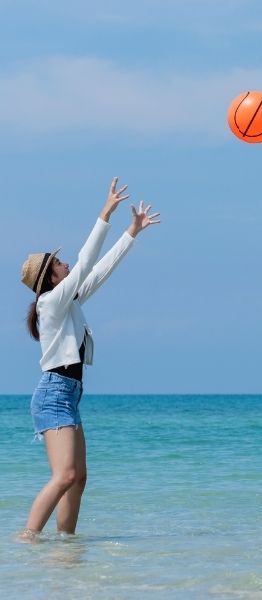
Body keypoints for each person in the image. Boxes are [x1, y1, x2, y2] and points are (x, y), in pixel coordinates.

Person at [18, 178, 160, 539]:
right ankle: (27, 538)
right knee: (64, 475)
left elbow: (99, 271)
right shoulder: (51, 303)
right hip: (53, 394)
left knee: (79, 478)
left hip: (68, 394)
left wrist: (131, 232)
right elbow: (85, 262)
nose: (65, 265)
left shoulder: (67, 303)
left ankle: (66, 545)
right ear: (50, 278)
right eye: (59, 264)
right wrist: (105, 212)